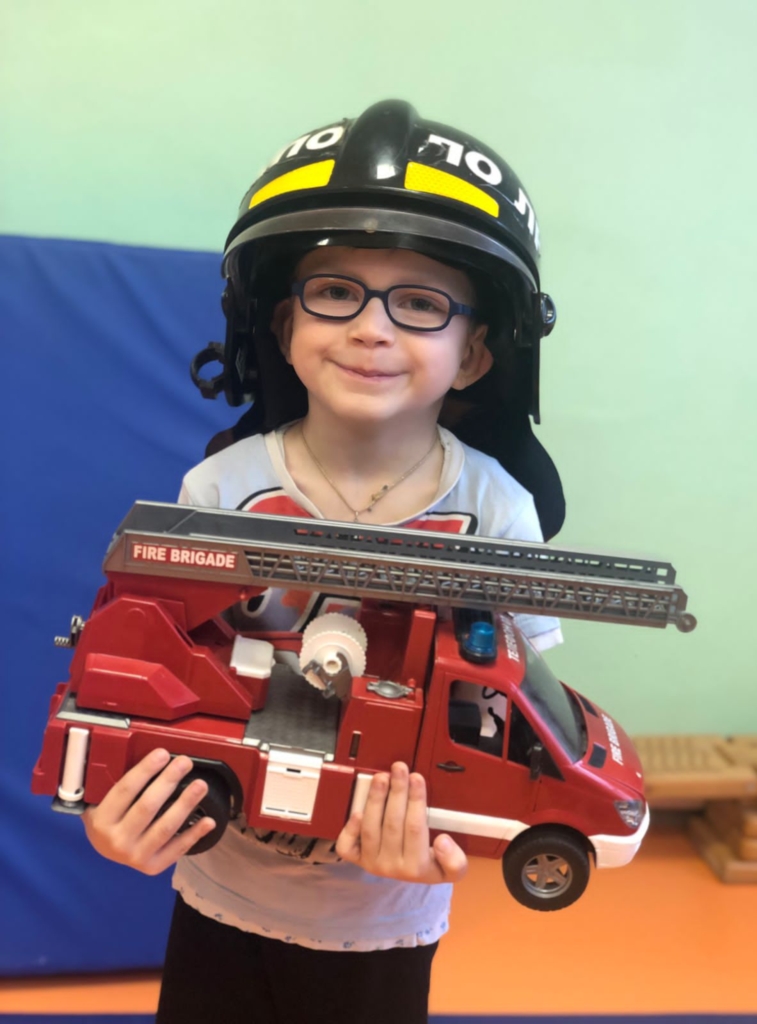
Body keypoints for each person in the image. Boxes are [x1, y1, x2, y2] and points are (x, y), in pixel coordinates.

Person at [82, 99, 566, 1024]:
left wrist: (449, 833)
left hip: (382, 922)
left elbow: (514, 707)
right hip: (220, 893)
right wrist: (112, 798)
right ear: (281, 325)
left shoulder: (497, 510)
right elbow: (146, 664)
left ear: (474, 354)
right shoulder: (220, 489)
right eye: (335, 291)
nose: (371, 328)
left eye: (419, 302)